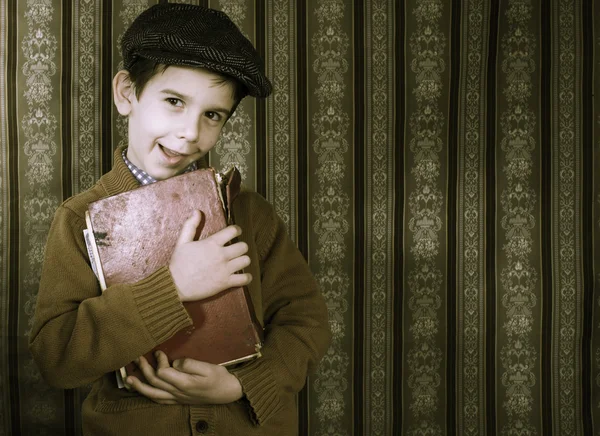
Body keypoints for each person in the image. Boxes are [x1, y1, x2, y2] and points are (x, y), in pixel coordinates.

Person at [28, 4, 331, 435]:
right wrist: (172, 288)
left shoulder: (250, 213)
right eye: (174, 101)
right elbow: (57, 358)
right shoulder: (79, 219)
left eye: (212, 115)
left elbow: (307, 322)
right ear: (127, 94)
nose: (191, 132)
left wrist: (239, 384)